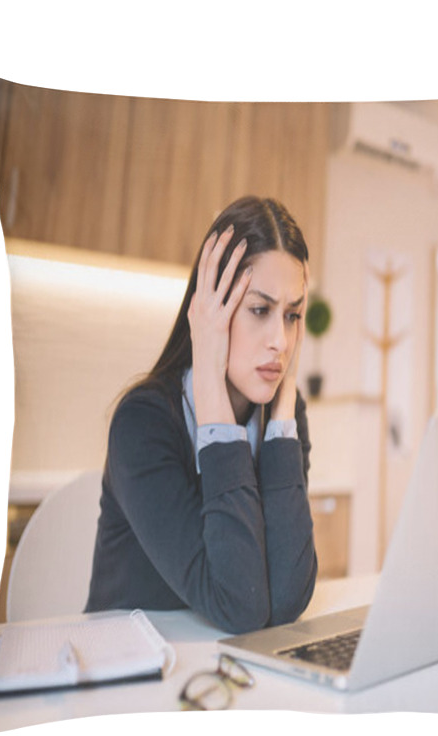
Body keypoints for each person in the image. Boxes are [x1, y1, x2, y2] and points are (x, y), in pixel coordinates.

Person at [85, 196, 317, 633]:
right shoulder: (142, 424)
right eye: (260, 310)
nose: (281, 342)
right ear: (209, 310)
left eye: (292, 315)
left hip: (217, 672)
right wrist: (210, 380)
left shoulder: (283, 418)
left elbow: (286, 601)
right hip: (127, 676)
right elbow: (239, 605)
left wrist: (285, 405)